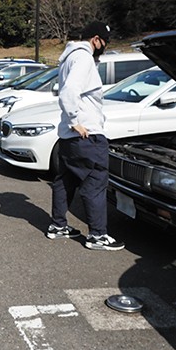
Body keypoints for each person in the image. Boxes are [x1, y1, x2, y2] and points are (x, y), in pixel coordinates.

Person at [46, 20, 125, 251]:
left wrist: (71, 124)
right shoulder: (83, 57)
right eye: (105, 42)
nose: (105, 47)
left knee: (65, 181)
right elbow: (69, 91)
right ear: (96, 40)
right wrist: (75, 122)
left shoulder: (70, 57)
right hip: (86, 136)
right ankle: (97, 236)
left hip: (68, 137)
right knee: (95, 182)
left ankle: (58, 226)